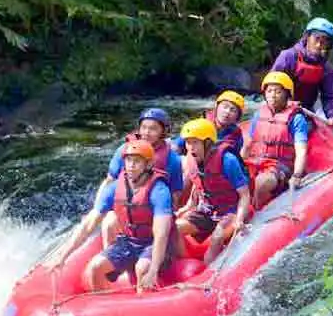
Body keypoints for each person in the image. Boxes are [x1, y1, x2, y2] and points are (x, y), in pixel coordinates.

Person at [49, 139, 174, 293]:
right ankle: (105, 303)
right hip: (128, 241)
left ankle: (145, 299)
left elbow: (161, 234)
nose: (131, 165)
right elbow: (88, 225)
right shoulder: (114, 188)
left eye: (137, 161)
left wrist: (153, 270)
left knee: (142, 268)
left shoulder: (159, 190)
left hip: (152, 242)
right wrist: (63, 256)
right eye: (128, 160)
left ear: (148, 165)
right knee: (95, 268)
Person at [95, 107, 183, 249]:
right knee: (109, 222)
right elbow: (109, 181)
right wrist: (98, 207)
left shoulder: (172, 159)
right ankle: (111, 254)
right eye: (144, 127)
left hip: (154, 209)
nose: (146, 133)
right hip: (124, 207)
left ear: (163, 131)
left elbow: (176, 194)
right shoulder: (125, 150)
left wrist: (166, 215)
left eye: (153, 129)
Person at [174, 118, 251, 265]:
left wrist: (239, 219)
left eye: (195, 142)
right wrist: (188, 206)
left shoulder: (227, 160)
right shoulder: (192, 160)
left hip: (231, 211)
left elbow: (244, 194)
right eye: (188, 142)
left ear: (208, 142)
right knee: (174, 228)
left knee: (216, 238)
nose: (191, 147)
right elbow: (199, 185)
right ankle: (187, 263)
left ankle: (208, 269)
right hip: (208, 211)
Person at [240, 71, 309, 209]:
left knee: (261, 183)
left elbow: (301, 151)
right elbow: (248, 145)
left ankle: (257, 212)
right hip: (256, 161)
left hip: (280, 165)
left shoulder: (296, 118)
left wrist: (297, 174)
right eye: (269, 91)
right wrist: (239, 164)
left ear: (287, 94)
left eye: (278, 91)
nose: (273, 95)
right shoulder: (259, 115)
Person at [269, 17, 333, 127]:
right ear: (307, 37)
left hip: (305, 111)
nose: (319, 45)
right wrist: (285, 102)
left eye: (324, 42)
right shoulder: (288, 56)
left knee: (304, 125)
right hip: (279, 107)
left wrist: (332, 116)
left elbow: (328, 96)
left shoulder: (326, 68)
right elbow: (270, 85)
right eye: (316, 39)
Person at [171, 90, 246, 157]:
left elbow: (236, 157)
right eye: (225, 107)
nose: (227, 112)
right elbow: (176, 146)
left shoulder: (237, 135)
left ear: (237, 117)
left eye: (233, 110)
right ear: (216, 107)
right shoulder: (199, 125)